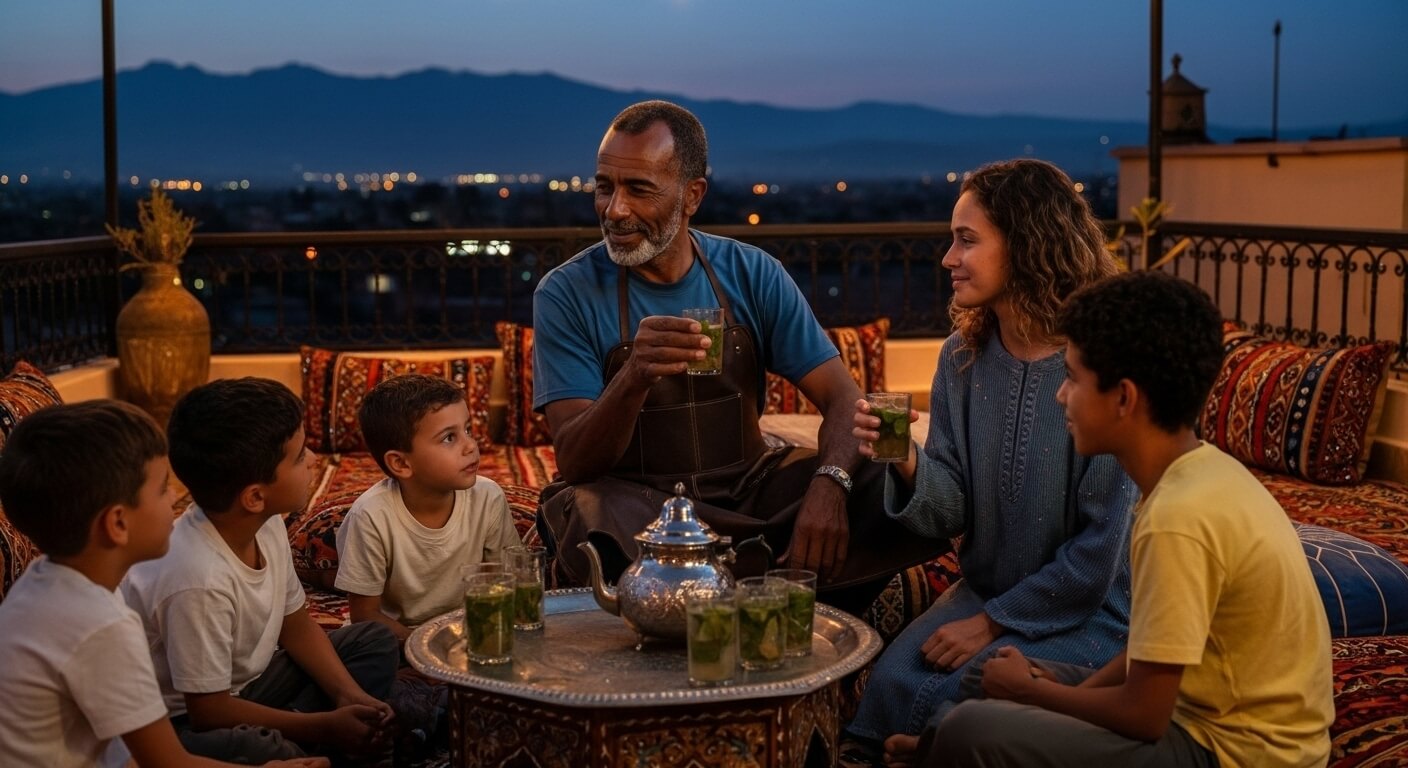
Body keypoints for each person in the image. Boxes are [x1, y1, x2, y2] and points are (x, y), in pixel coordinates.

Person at [909, 270, 1334, 767]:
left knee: (974, 727)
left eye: (1073, 378)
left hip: (1232, 752)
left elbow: (1143, 716)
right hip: (1191, 711)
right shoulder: (1198, 472)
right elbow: (1147, 653)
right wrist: (1038, 700)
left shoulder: (1177, 518)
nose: (1060, 395)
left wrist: (1033, 695)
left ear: (1124, 399)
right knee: (984, 685)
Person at [531, 99, 946, 609]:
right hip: (641, 505)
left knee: (881, 473)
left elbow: (844, 400)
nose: (614, 210)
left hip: (749, 491)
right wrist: (634, 376)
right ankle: (754, 589)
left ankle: (801, 613)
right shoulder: (564, 293)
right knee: (586, 510)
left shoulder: (753, 273)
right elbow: (576, 462)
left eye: (638, 189)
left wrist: (829, 486)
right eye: (604, 187)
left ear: (692, 196)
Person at [844, 159, 1137, 764]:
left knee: (964, 703)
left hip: (1091, 612)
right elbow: (950, 508)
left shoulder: (1102, 365)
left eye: (967, 240)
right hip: (984, 593)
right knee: (890, 684)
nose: (948, 258)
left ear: (1027, 244)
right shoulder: (962, 357)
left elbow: (1099, 553)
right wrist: (904, 458)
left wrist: (993, 624)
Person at [0, 400, 328, 768]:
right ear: (117, 524)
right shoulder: (102, 625)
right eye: (161, 490)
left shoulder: (42, 582)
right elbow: (166, 762)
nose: (175, 497)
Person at [122, 378, 400, 764]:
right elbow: (208, 711)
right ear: (255, 496)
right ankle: (312, 744)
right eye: (299, 456)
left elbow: (295, 624)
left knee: (373, 641)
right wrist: (323, 725)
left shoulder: (264, 523)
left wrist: (347, 694)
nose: (314, 459)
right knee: (262, 749)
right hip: (184, 722)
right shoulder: (197, 579)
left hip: (253, 687)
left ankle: (314, 741)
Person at [336, 373, 520, 643]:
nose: (471, 445)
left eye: (468, 430)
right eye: (449, 438)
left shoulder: (487, 497)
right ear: (401, 464)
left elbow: (505, 582)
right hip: (401, 638)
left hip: (470, 630)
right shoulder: (370, 516)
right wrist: (424, 646)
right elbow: (365, 614)